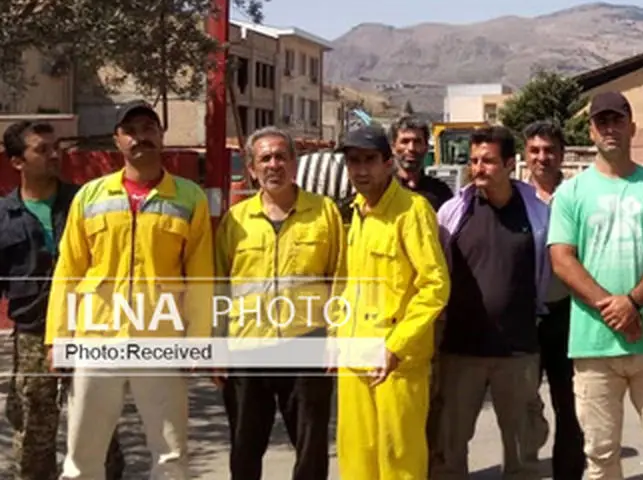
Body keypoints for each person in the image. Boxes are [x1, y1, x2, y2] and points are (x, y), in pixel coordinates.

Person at [46, 100, 214, 480]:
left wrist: (198, 338)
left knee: (170, 455)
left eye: (149, 128)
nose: (141, 137)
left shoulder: (188, 197)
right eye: (131, 130)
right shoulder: (90, 197)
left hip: (161, 338)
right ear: (117, 140)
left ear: (161, 136)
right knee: (82, 456)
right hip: (96, 337)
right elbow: (69, 269)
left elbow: (201, 273)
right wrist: (58, 337)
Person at [547, 91, 643, 480]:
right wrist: (611, 308)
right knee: (600, 455)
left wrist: (633, 302)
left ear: (631, 126)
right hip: (593, 345)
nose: (610, 128)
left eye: (617, 120)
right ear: (592, 130)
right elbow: (562, 259)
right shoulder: (571, 193)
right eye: (601, 122)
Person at [215, 126, 345, 480]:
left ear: (295, 164)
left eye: (281, 156)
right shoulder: (236, 220)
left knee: (311, 447)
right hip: (246, 348)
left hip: (306, 345)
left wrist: (336, 339)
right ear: (252, 169)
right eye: (265, 158)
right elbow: (218, 288)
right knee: (244, 447)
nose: (274, 165)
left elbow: (340, 280)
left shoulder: (325, 214)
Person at [1, 121, 124, 480]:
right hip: (34, 335)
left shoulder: (85, 202)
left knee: (99, 424)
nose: (55, 155)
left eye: (57, 147)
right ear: (16, 162)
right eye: (42, 149)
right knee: (34, 428)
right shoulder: (4, 216)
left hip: (91, 329)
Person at [430, 125, 550, 480]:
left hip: (518, 351)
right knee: (448, 451)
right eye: (474, 160)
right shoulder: (454, 213)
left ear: (511, 164)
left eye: (488, 161)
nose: (478, 168)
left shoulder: (538, 215)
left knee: (523, 455)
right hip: (460, 351)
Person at [334, 122, 450, 480]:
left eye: (369, 160)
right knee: (356, 459)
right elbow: (346, 285)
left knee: (398, 459)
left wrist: (396, 345)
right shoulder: (354, 212)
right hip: (354, 357)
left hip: (396, 364)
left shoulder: (412, 212)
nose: (361, 170)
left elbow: (435, 285)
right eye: (353, 161)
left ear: (388, 163)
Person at [522, 120, 585, 480]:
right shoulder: (513, 197)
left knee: (570, 405)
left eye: (549, 151)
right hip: (524, 318)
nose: (542, 158)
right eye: (535, 151)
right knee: (522, 405)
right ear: (525, 155)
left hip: (567, 314)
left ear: (562, 155)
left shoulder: (577, 196)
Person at [390, 116, 454, 212]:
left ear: (426, 147)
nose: (411, 148)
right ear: (393, 147)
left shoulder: (440, 192)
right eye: (405, 141)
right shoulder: (382, 190)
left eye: (417, 142)